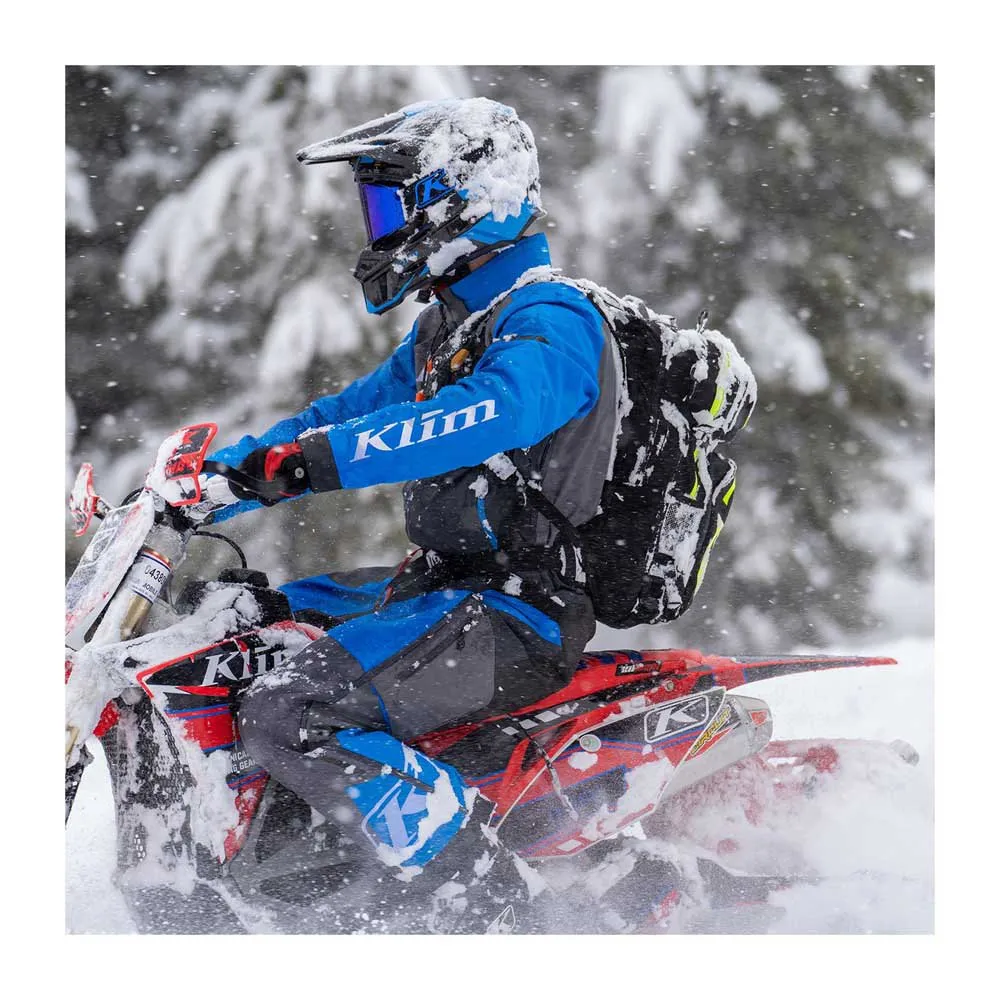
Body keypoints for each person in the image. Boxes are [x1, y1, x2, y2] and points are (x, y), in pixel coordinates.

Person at [205, 97, 751, 931]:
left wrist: (314, 463)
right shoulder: (451, 327)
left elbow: (497, 411)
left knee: (291, 710)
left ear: (464, 196)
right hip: (441, 591)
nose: (383, 228)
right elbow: (344, 412)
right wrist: (225, 473)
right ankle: (278, 881)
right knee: (238, 629)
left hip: (520, 613)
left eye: (393, 205)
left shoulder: (550, 316)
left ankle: (488, 907)